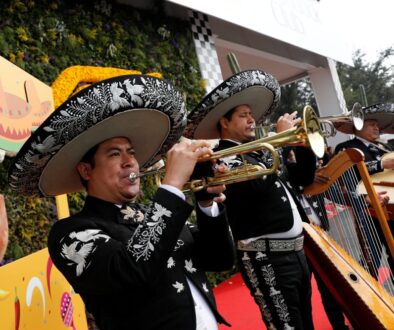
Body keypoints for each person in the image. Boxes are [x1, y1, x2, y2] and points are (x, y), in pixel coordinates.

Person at [8, 74, 235, 330]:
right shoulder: (70, 232)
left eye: (132, 153)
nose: (130, 162)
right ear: (86, 171)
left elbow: (220, 260)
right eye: (115, 154)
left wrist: (207, 203)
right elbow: (131, 271)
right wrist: (171, 187)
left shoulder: (154, 213)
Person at [186, 69, 317, 329]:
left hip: (296, 254)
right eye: (243, 115)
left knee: (306, 322)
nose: (252, 120)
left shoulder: (258, 153)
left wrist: (303, 146)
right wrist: (278, 141)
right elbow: (260, 186)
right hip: (266, 258)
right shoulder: (221, 156)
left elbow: (302, 178)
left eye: (251, 115)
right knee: (286, 325)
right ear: (224, 122)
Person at [334, 103, 394, 276]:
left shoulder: (386, 147)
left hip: (390, 208)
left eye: (377, 125)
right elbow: (346, 172)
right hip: (368, 211)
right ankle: (369, 298)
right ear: (358, 126)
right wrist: (381, 164)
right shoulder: (346, 148)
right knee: (371, 258)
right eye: (372, 124)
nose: (377, 128)